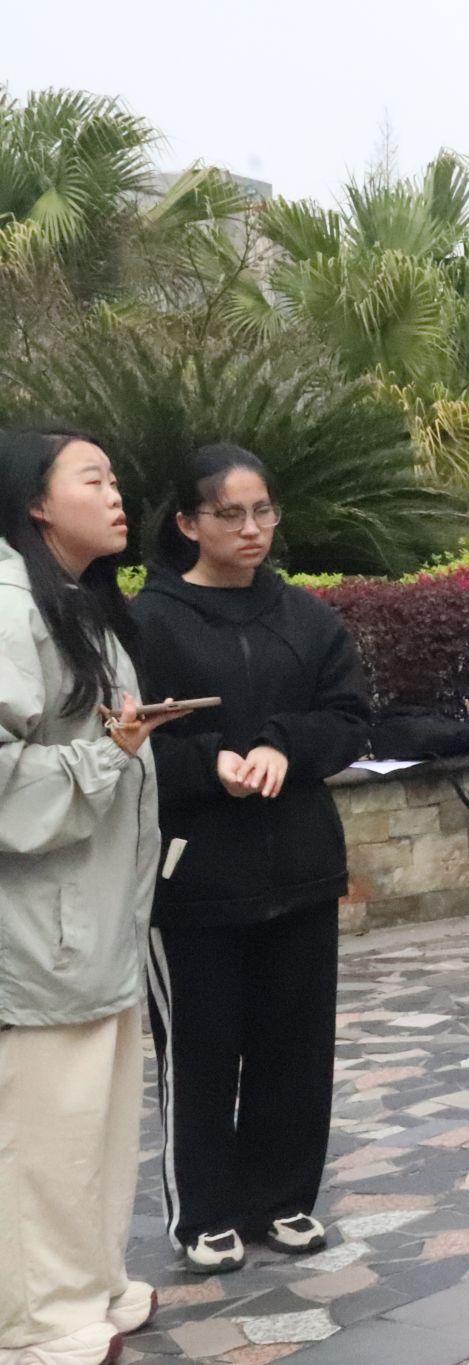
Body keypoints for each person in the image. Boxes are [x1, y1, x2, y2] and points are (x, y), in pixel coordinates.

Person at [133, 444, 374, 1275]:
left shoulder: (305, 617)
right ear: (187, 522)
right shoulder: (147, 622)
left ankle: (284, 1196)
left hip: (300, 866)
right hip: (195, 880)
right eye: (230, 514)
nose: (251, 528)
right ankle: (204, 1213)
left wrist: (283, 746)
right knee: (202, 1049)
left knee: (295, 1042)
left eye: (263, 510)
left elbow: (349, 716)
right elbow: (127, 744)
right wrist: (212, 764)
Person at [0, 428, 178, 1365]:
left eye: (115, 477)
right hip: (39, 927)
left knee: (99, 1124)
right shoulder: (7, 605)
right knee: (44, 1134)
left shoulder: (80, 604)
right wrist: (107, 754)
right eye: (93, 478)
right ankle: (39, 1323)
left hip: (101, 913)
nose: (117, 495)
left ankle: (93, 1283)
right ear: (37, 502)